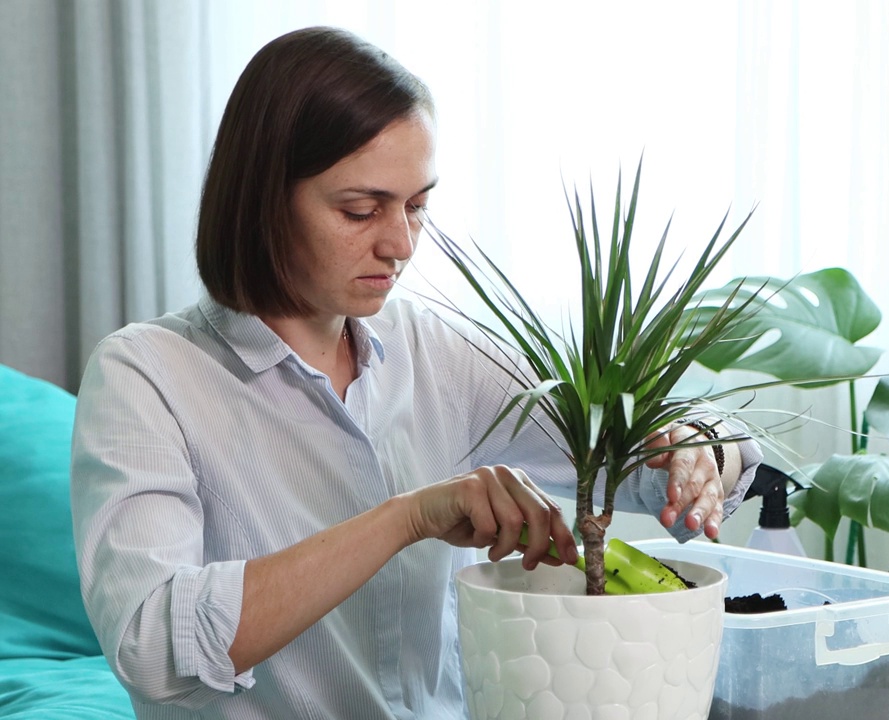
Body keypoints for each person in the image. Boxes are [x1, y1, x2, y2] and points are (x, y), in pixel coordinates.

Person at [69, 26, 761, 720]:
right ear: (261, 198)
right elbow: (154, 650)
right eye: (360, 209)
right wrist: (410, 516)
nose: (400, 244)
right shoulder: (146, 376)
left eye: (418, 206)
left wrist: (700, 445)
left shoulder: (436, 352)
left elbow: (629, 463)